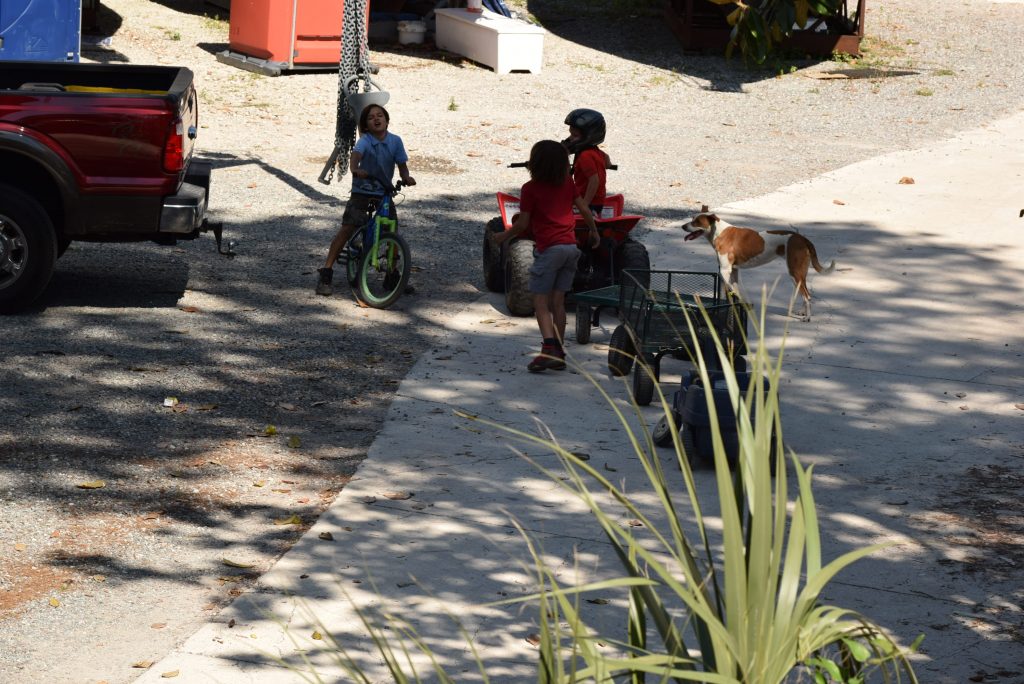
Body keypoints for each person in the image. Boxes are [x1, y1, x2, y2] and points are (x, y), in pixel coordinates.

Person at [492, 140, 600, 372]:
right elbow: (583, 209)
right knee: (557, 302)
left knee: (539, 301)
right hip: (571, 249)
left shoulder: (530, 188)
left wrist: (504, 236)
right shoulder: (567, 184)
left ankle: (548, 348)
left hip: (550, 249)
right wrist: (593, 230)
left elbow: (524, 224)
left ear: (535, 164)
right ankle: (559, 352)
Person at [317, 104, 416, 296]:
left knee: (392, 229)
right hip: (362, 189)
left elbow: (402, 166)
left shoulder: (396, 141)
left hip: (384, 191)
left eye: (380, 116)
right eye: (371, 118)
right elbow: (355, 156)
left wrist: (406, 177)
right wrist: (355, 169)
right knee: (349, 226)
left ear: (387, 120)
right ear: (366, 126)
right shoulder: (365, 141)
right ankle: (326, 271)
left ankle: (392, 274)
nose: (376, 119)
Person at [562, 108, 611, 216]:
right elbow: (607, 161)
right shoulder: (595, 151)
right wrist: (607, 165)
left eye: (575, 135)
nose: (570, 138)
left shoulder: (585, 156)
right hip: (598, 201)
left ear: (589, 137)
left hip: (589, 202)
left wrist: (584, 205)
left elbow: (594, 181)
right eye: (571, 134)